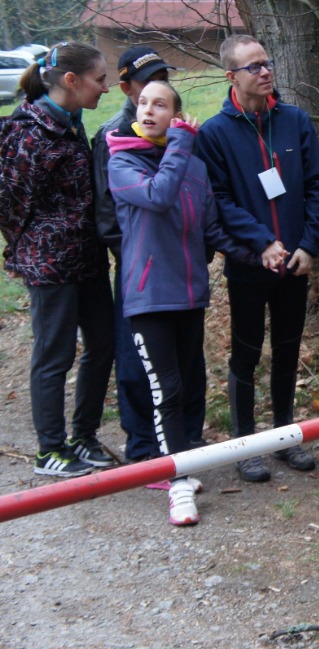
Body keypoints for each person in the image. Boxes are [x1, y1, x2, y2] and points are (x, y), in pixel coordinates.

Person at [107, 81, 272, 525]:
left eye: (160, 104)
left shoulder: (193, 168)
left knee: (185, 385)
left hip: (188, 295)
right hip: (147, 298)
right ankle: (176, 483)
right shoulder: (122, 161)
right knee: (166, 390)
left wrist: (258, 256)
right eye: (143, 103)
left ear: (176, 113)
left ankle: (177, 463)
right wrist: (182, 141)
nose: (148, 110)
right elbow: (159, 195)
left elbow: (212, 232)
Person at [196, 35, 319, 482]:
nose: (265, 70)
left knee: (288, 351)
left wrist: (308, 244)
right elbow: (218, 198)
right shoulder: (215, 133)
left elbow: (317, 185)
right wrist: (260, 242)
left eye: (267, 62)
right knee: (247, 353)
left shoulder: (294, 121)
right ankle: (245, 445)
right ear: (231, 76)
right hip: (252, 266)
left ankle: (284, 437)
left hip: (295, 261)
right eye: (253, 66)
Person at [92, 46, 211, 467]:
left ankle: (185, 445)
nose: (152, 98)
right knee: (139, 369)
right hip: (142, 273)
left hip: (184, 277)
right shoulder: (115, 140)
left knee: (186, 368)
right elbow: (110, 215)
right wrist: (142, 258)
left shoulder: (184, 144)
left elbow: (202, 214)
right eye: (144, 87)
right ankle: (145, 449)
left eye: (162, 80)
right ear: (126, 89)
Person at [0, 41, 115, 477]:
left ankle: (83, 437)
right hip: (50, 266)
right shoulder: (28, 133)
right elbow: (8, 205)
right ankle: (50, 450)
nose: (106, 88)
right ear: (71, 81)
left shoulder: (70, 122)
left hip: (87, 259)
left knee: (103, 344)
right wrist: (34, 245)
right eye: (100, 79)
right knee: (55, 355)